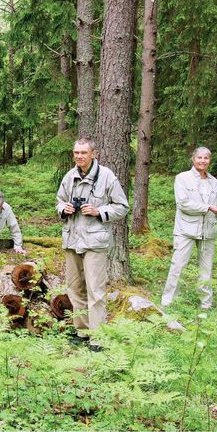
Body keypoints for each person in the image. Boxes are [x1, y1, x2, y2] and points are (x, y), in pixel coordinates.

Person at [55, 138, 129, 343]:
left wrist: (99, 211)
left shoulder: (107, 177)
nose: (79, 156)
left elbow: (122, 207)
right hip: (72, 239)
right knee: (74, 287)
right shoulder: (69, 176)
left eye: (83, 153)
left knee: (95, 290)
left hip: (95, 242)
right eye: (76, 152)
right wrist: (64, 209)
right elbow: (59, 201)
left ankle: (97, 338)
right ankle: (82, 331)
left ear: (94, 154)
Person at [161, 146, 217, 310]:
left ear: (210, 161)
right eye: (199, 157)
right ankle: (168, 302)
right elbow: (183, 203)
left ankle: (206, 304)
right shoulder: (182, 178)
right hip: (185, 230)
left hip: (208, 231)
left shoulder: (213, 181)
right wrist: (208, 207)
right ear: (193, 159)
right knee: (178, 266)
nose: (202, 161)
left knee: (206, 269)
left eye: (206, 158)